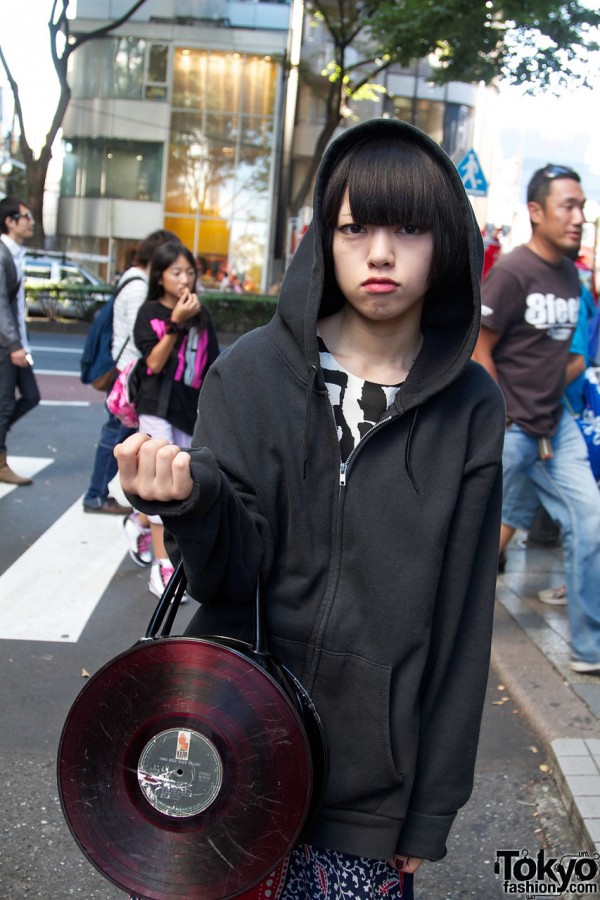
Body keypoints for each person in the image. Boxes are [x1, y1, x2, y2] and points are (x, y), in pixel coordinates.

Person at [115, 118, 505, 896]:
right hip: (231, 754)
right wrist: (188, 501)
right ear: (324, 236)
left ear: (448, 243)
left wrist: (427, 812)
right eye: (355, 227)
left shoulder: (471, 407)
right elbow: (227, 576)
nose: (381, 253)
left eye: (409, 228)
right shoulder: (252, 374)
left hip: (367, 797)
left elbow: (463, 623)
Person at [474, 163, 600, 672]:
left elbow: (568, 356)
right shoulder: (511, 272)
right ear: (535, 211)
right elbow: (479, 351)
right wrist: (501, 417)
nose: (578, 217)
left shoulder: (573, 277)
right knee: (479, 531)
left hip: (556, 427)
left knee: (590, 522)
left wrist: (568, 375)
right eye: (568, 206)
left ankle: (589, 648)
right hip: (512, 428)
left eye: (582, 207)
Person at [132, 239, 219, 597]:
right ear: (160, 276)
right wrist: (175, 323)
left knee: (182, 477)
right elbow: (153, 363)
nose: (184, 278)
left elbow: (212, 361)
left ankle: (136, 521)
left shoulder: (201, 313)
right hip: (155, 403)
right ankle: (162, 565)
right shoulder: (150, 311)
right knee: (160, 478)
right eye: (176, 272)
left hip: (187, 405)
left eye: (189, 271)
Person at [82, 229, 178, 520]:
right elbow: (144, 335)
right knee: (118, 436)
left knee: (121, 435)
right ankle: (96, 495)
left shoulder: (132, 279)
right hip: (131, 375)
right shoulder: (138, 288)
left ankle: (105, 495)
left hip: (128, 371)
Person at [0, 196, 40, 485]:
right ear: (10, 221)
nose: (31, 222)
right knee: (4, 403)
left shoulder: (14, 253)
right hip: (6, 344)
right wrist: (14, 345)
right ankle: (0, 462)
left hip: (15, 343)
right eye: (26, 217)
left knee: (30, 395)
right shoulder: (2, 254)